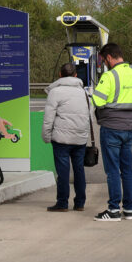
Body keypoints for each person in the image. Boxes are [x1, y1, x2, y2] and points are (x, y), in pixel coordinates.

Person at [90, 42, 132, 221]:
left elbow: (97, 101)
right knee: (127, 170)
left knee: (112, 170)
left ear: (110, 58)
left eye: (104, 61)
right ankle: (129, 209)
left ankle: (113, 210)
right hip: (128, 127)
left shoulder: (109, 76)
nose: (105, 64)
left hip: (111, 128)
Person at [41, 62, 92, 212]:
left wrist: (46, 136)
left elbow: (48, 118)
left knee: (63, 172)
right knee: (79, 171)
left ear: (60, 75)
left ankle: (62, 203)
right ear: (76, 75)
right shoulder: (84, 92)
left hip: (61, 139)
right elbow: (90, 116)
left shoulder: (55, 92)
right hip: (80, 139)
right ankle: (80, 203)